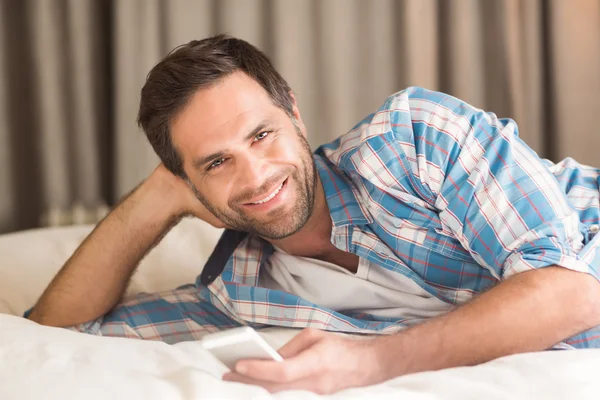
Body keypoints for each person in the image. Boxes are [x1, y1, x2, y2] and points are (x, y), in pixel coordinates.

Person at [26, 35, 600, 394]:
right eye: (217, 162)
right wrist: (155, 200)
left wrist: (371, 364)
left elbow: (572, 292)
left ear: (295, 113)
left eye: (262, 134)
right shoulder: (237, 294)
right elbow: (57, 329)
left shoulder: (413, 140)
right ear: (189, 181)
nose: (254, 177)